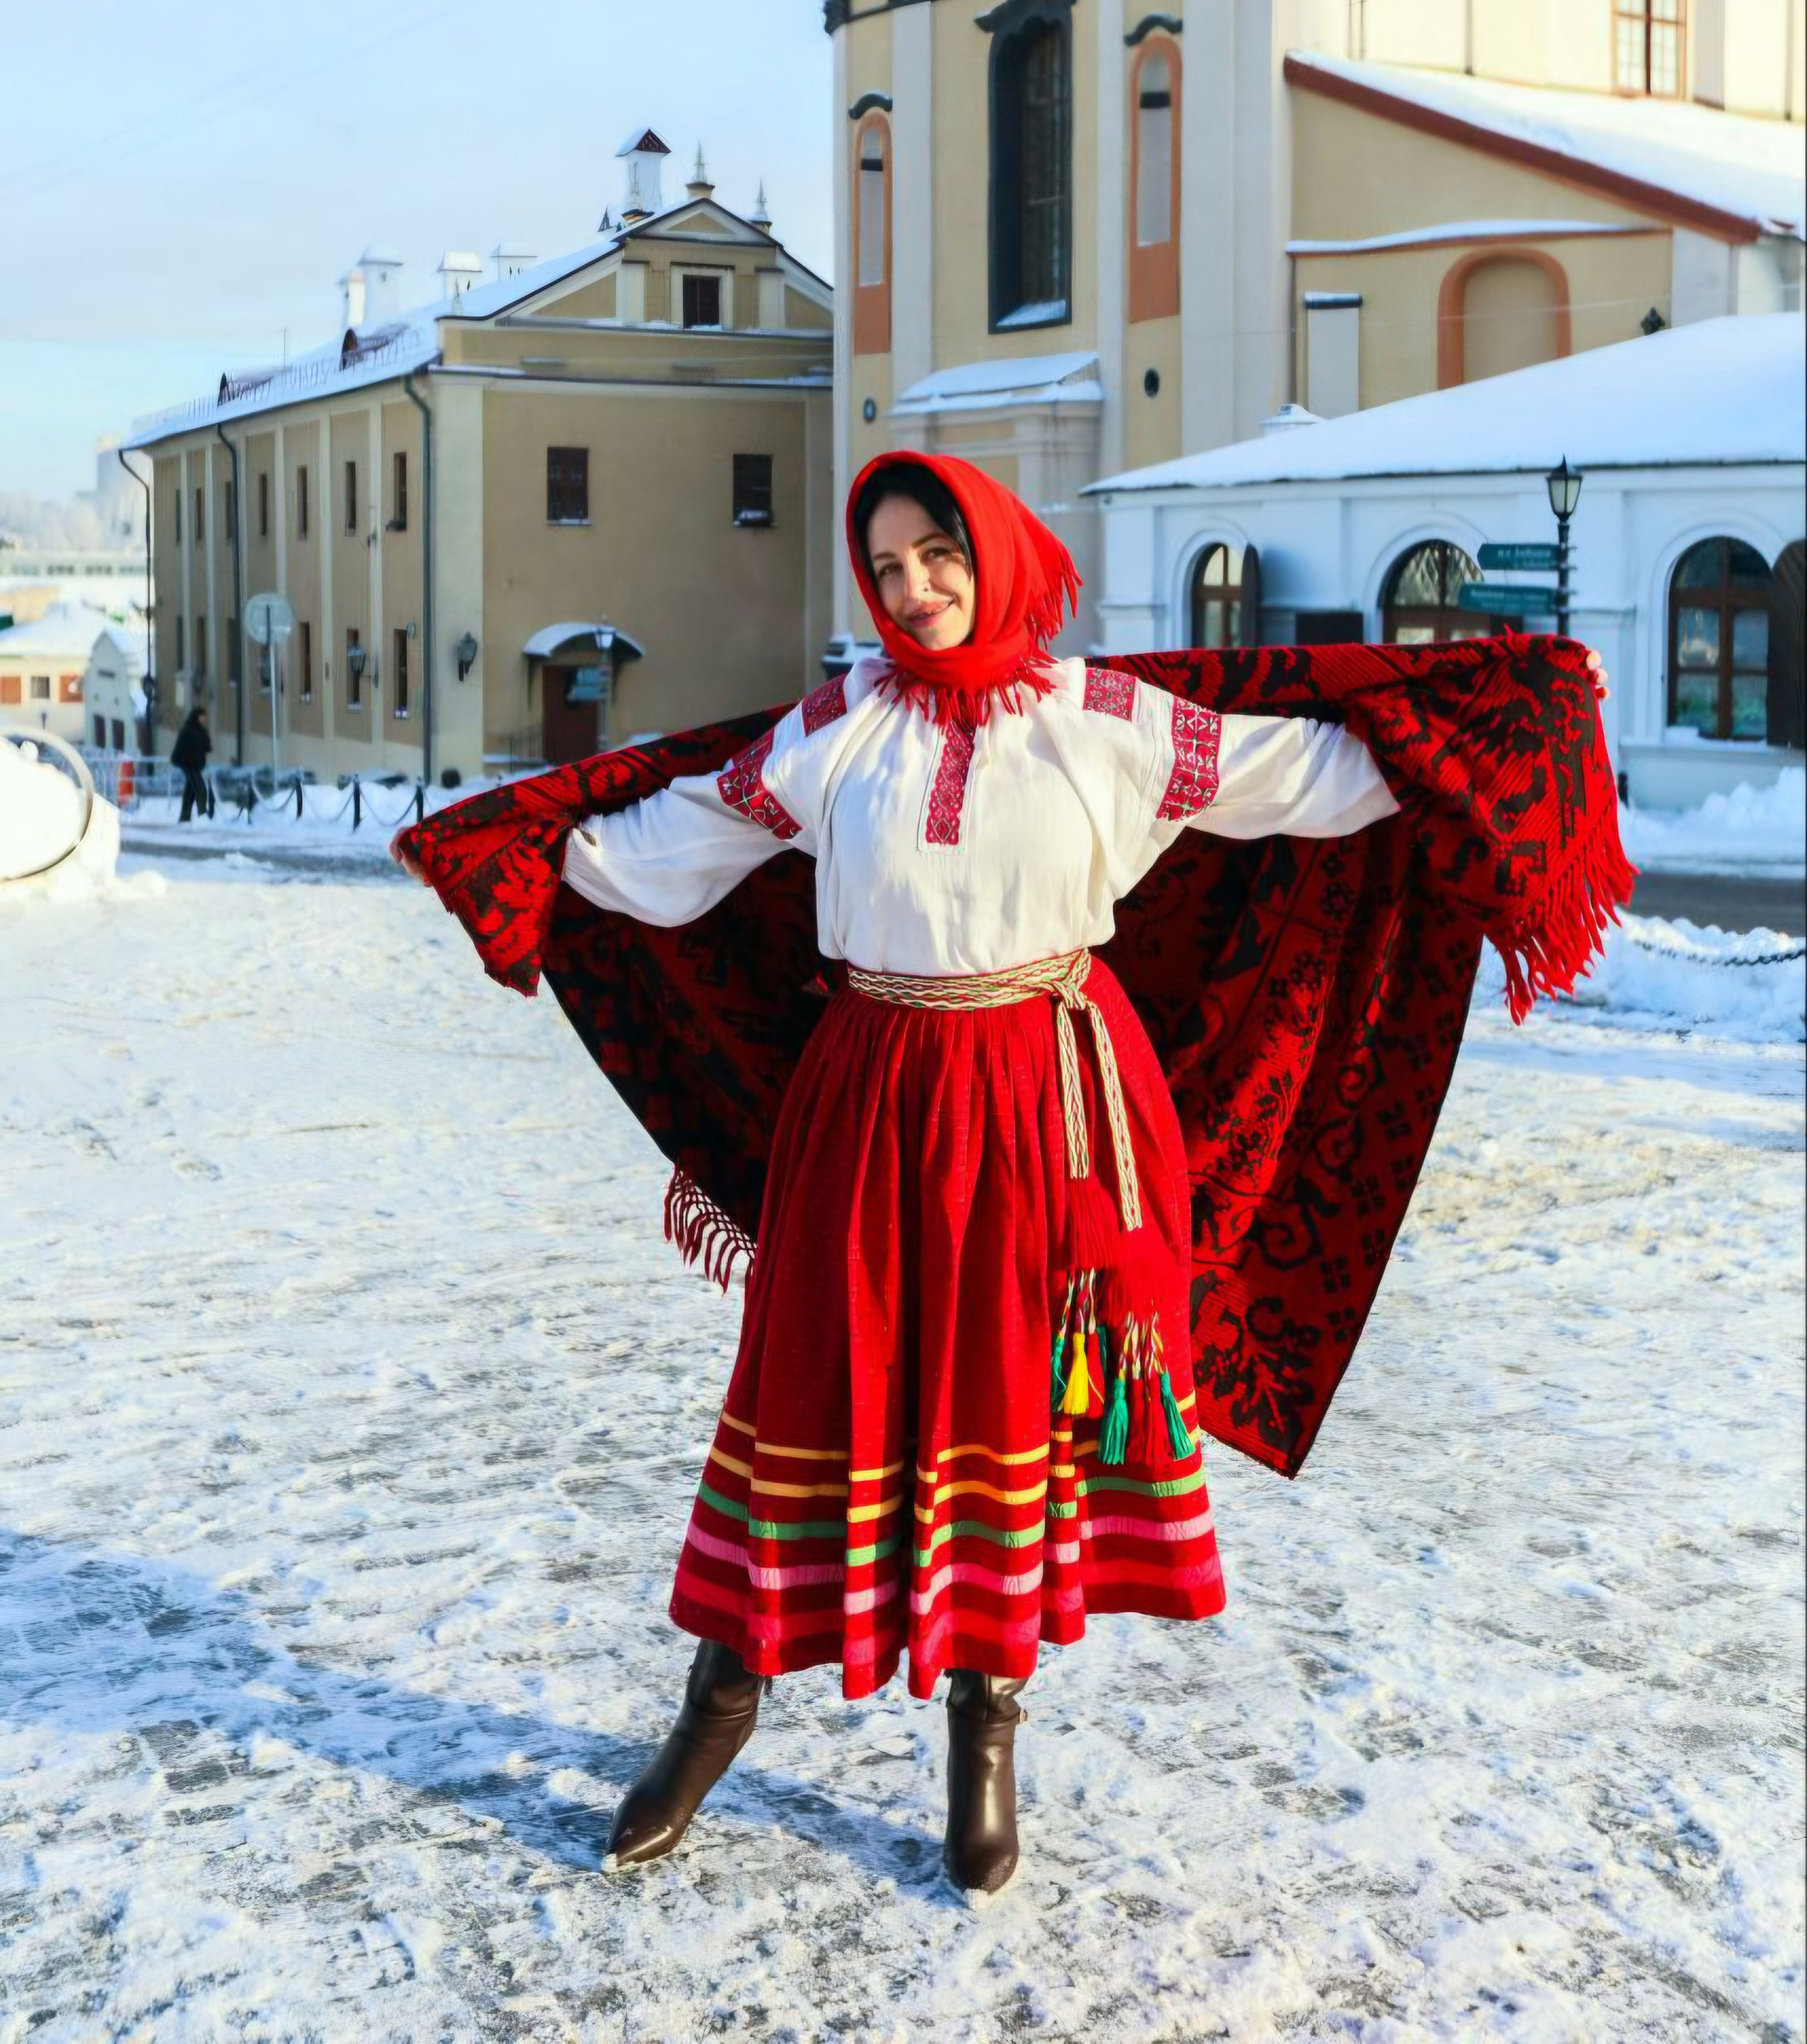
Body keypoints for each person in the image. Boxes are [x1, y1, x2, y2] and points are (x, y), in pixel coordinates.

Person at [395, 452, 1616, 1894]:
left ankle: (985, 1733)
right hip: (864, 1099)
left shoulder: (1106, 723)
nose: (914, 588)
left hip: (1048, 1101)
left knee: (1004, 1402)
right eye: (888, 565)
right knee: (807, 1385)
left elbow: (1319, 778)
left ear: (995, 549)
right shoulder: (833, 727)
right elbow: (665, 852)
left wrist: (1498, 721)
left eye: (936, 553)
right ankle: (716, 1705)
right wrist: (514, 848)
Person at [170, 705, 212, 823]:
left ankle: (185, 817)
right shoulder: (188, 730)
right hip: (188, 764)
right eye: (203, 717)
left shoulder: (201, 730)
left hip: (196, 765)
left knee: (190, 791)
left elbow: (207, 748)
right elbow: (180, 750)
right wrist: (185, 759)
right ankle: (203, 815)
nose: (206, 719)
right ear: (198, 717)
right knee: (200, 789)